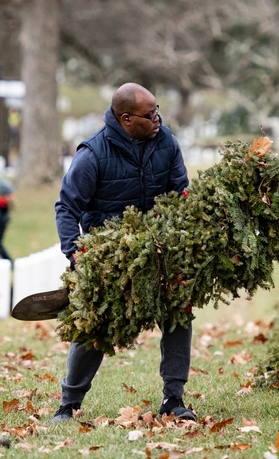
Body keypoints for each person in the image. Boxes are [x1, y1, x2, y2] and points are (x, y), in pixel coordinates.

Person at [52, 82, 193, 423]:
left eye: (158, 110)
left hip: (160, 251)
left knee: (179, 316)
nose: (157, 118)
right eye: (150, 114)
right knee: (94, 327)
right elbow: (67, 207)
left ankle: (173, 400)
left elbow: (181, 192)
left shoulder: (166, 142)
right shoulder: (93, 154)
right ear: (126, 119)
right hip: (111, 260)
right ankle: (68, 405)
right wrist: (76, 254)